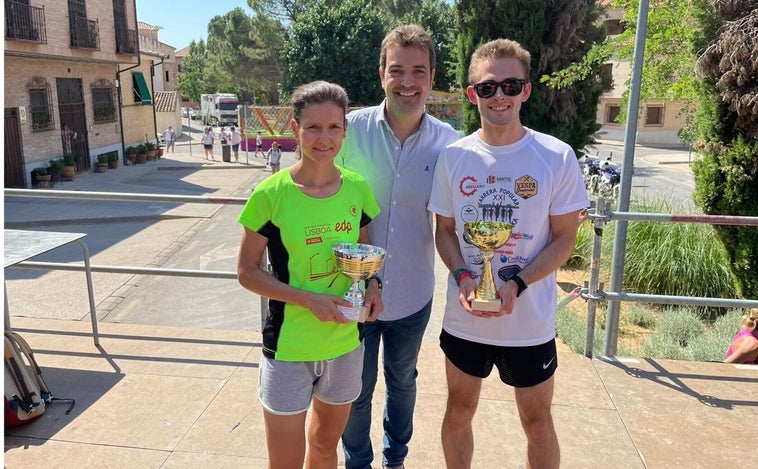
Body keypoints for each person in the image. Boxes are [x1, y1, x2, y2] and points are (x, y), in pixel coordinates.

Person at [428, 38, 589, 469]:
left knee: (537, 422)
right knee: (459, 413)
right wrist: (465, 276)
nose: (499, 95)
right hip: (466, 317)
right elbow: (444, 231)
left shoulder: (555, 156)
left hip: (529, 322)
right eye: (487, 87)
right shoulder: (454, 156)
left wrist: (517, 283)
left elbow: (564, 240)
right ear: (471, 94)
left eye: (510, 85)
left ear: (526, 91)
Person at [236, 80, 384, 468]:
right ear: (294, 130)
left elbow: (365, 260)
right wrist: (309, 300)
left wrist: (373, 288)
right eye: (313, 127)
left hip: (345, 345)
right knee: (284, 462)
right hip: (290, 348)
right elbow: (247, 273)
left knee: (323, 449)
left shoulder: (357, 189)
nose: (324, 138)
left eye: (334, 127)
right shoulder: (270, 195)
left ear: (345, 131)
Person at [336, 24, 460, 469]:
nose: (408, 81)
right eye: (397, 70)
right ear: (381, 74)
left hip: (412, 293)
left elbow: (454, 219)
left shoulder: (449, 143)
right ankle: (357, 461)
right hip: (350, 291)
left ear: (431, 76)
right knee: (355, 386)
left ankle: (396, 458)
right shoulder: (348, 131)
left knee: (403, 380)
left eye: (418, 71)